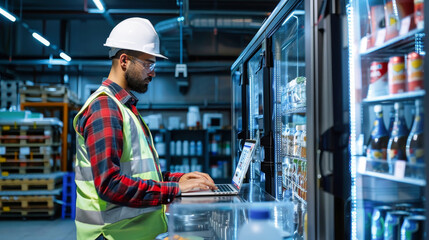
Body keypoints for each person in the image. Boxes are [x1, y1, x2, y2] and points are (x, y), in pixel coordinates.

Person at [73, 17, 217, 240]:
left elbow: (139, 173)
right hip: (111, 234)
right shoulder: (104, 108)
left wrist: (179, 179)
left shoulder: (123, 107)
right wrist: (175, 190)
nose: (153, 72)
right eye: (148, 64)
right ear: (124, 61)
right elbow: (110, 185)